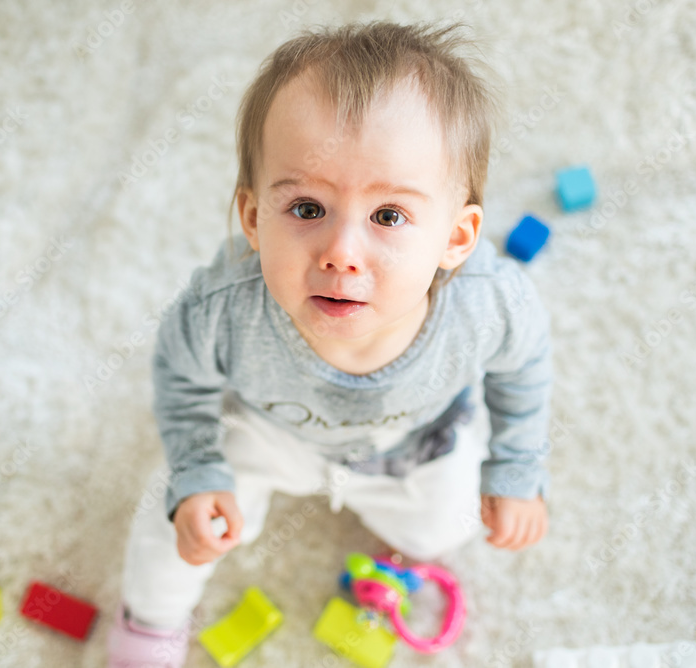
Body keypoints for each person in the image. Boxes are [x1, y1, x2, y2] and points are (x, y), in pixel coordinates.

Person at [108, 19, 553, 667]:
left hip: (415, 444)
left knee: (448, 530)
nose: (342, 253)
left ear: (457, 239)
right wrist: (199, 471)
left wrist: (516, 468)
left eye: (389, 216)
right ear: (254, 218)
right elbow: (182, 378)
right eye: (308, 209)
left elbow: (524, 368)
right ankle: (149, 624)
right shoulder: (221, 307)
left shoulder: (488, 304)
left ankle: (396, 554)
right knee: (173, 518)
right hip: (266, 433)